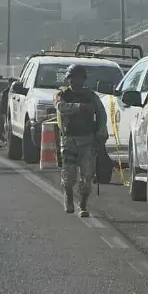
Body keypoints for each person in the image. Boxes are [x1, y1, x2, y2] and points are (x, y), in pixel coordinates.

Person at [54, 64, 108, 217]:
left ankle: (83, 205)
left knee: (87, 176)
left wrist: (101, 130)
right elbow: (60, 107)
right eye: (72, 78)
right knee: (69, 175)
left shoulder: (91, 96)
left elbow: (101, 113)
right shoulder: (62, 94)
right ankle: (69, 197)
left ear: (83, 79)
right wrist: (80, 107)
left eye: (78, 78)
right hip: (69, 139)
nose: (75, 81)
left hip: (87, 140)